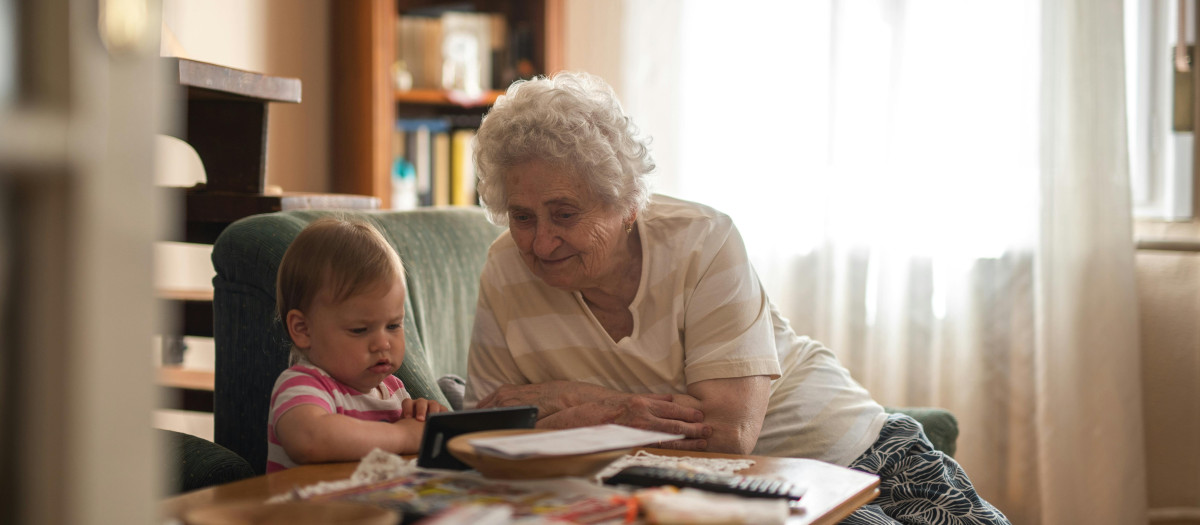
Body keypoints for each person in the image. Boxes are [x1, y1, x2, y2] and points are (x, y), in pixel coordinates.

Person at [463, 71, 1009, 524]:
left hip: (849, 451)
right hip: (728, 498)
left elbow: (725, 436)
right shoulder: (504, 269)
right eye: (521, 216)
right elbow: (484, 433)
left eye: (564, 214)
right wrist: (614, 410)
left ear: (626, 203)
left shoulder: (701, 240)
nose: (540, 241)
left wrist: (565, 399)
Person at [266, 217, 447, 472]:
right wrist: (403, 436)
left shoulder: (395, 391)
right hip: (311, 510)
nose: (383, 343)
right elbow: (309, 440)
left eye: (394, 325)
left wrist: (424, 420)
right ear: (303, 329)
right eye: (360, 330)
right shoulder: (303, 384)